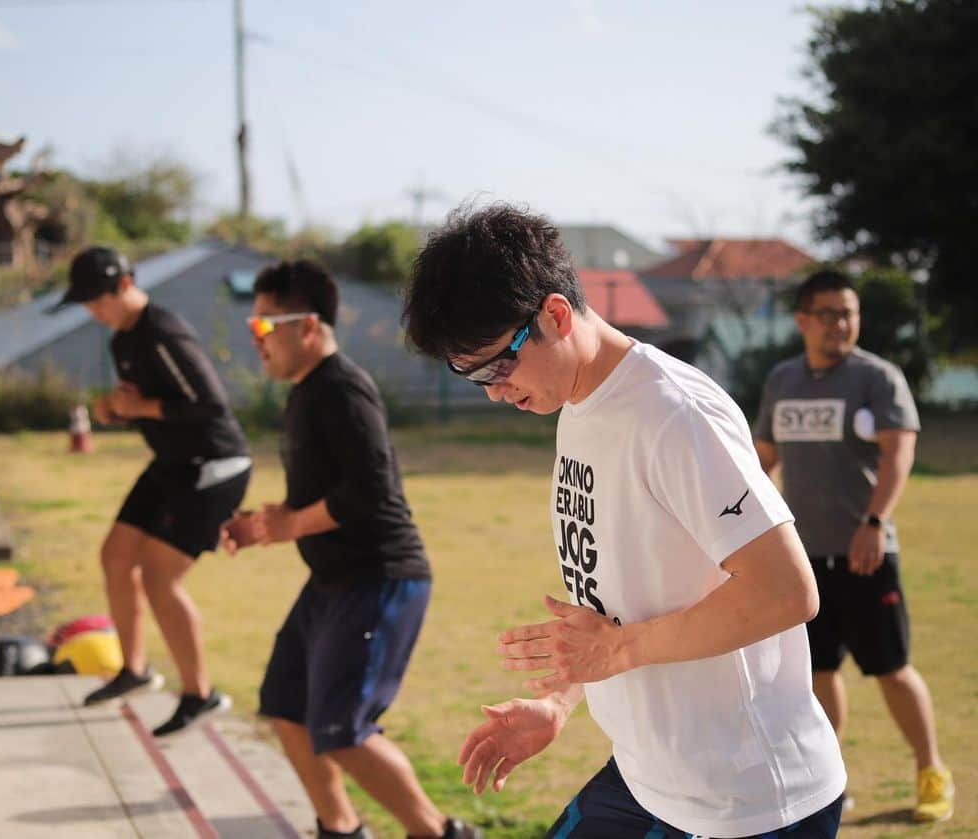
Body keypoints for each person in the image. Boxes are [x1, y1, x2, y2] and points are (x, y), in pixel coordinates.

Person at [402, 205, 847, 839]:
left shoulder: (675, 415)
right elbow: (617, 601)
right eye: (470, 376)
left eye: (496, 366)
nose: (494, 391)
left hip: (748, 801)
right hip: (649, 779)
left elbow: (786, 591)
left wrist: (615, 650)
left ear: (555, 315)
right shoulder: (577, 406)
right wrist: (560, 698)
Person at [219, 259, 480, 839]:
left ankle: (440, 834)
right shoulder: (305, 395)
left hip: (380, 578)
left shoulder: (342, 388)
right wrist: (262, 524)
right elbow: (315, 504)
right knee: (287, 707)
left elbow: (370, 489)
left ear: (306, 325)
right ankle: (341, 830)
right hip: (332, 582)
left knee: (343, 728)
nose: (255, 340)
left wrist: (289, 524)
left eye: (265, 326)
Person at [753, 269, 954, 822]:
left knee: (891, 668)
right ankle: (829, 784)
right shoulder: (783, 380)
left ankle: (931, 770)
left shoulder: (877, 378)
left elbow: (899, 453)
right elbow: (760, 458)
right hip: (804, 561)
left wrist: (874, 522)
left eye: (848, 313)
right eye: (828, 313)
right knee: (818, 675)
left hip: (867, 553)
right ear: (802, 320)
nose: (840, 323)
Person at [53, 245, 251, 736]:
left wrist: (137, 410)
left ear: (124, 284)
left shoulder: (162, 330)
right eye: (87, 305)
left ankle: (200, 694)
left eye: (98, 301)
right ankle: (134, 670)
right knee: (116, 556)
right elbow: (144, 402)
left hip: (214, 464)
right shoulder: (121, 340)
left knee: (160, 578)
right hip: (171, 463)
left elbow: (207, 405)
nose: (94, 313)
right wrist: (115, 411)